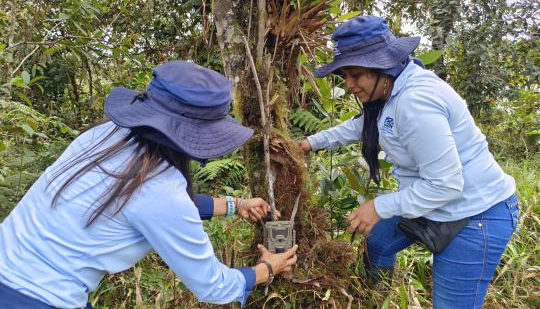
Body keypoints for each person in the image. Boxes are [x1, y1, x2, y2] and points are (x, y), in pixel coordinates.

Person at [0, 61, 298, 309]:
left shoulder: (103, 135)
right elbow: (213, 286)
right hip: (39, 298)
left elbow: (144, 202)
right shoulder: (162, 192)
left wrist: (237, 205)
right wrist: (266, 269)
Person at [299, 16, 518, 308]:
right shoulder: (389, 92)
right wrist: (308, 143)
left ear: (382, 67)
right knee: (377, 244)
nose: (349, 85)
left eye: (355, 75)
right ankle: (374, 299)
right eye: (344, 77)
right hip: (430, 202)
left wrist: (378, 206)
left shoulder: (416, 102)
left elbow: (446, 185)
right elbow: (360, 126)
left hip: (475, 214)